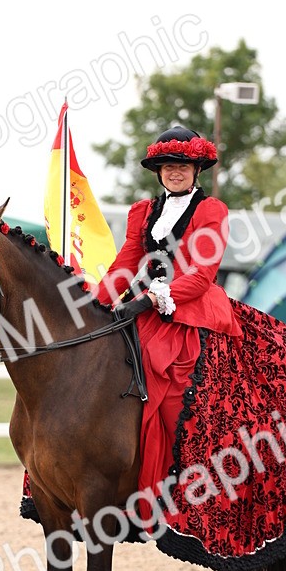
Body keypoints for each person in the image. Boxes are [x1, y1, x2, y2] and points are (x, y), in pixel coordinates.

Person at [96, 125, 242, 496]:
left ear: (196, 170)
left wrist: (149, 299)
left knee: (176, 395)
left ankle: (192, 476)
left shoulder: (211, 210)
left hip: (190, 309)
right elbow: (125, 267)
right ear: (158, 171)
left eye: (182, 165)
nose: (174, 171)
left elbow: (201, 274)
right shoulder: (143, 212)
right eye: (166, 165)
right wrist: (92, 305)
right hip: (145, 309)